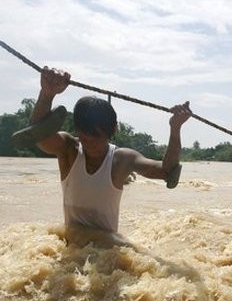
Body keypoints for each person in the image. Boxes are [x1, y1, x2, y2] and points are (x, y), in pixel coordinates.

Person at [24, 66, 192, 233]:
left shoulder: (122, 160)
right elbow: (38, 136)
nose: (90, 145)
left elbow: (167, 172)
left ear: (112, 131)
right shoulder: (69, 149)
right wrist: (47, 93)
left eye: (97, 137)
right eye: (84, 137)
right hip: (73, 248)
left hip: (108, 250)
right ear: (77, 132)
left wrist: (175, 127)